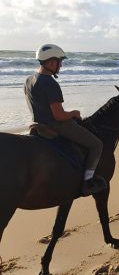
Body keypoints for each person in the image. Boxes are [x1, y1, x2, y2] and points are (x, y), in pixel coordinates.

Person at [24, 44, 107, 197]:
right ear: (50, 63)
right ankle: (87, 182)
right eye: (59, 62)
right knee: (97, 145)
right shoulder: (50, 83)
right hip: (56, 126)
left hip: (37, 124)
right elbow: (59, 115)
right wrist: (74, 113)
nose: (61, 65)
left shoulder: (30, 79)